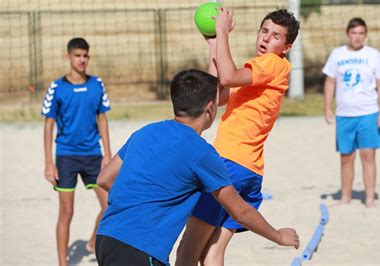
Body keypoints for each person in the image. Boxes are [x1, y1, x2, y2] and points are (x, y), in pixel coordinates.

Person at [95, 69, 299, 266]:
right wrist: (279, 236)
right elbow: (240, 211)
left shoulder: (145, 132)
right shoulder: (202, 153)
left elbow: (104, 179)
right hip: (140, 249)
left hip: (106, 237)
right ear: (210, 108)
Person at [176, 8, 300, 266]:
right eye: (264, 31)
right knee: (212, 253)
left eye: (276, 36)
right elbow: (217, 95)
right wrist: (213, 44)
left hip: (229, 164)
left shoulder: (271, 64)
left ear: (286, 47)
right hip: (249, 170)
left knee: (187, 252)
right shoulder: (261, 76)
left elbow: (228, 76)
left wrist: (222, 32)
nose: (266, 38)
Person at [41, 37, 111, 265]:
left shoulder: (97, 84)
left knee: (110, 205)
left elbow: (102, 118)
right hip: (66, 156)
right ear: (68, 57)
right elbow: (49, 124)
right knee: (66, 212)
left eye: (85, 56)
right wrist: (49, 163)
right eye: (77, 55)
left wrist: (107, 155)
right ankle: (63, 262)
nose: (82, 60)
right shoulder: (57, 87)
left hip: (93, 154)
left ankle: (92, 243)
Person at [322, 18, 380, 208]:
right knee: (346, 157)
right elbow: (330, 82)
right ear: (347, 34)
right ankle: (345, 197)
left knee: (368, 156)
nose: (357, 37)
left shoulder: (373, 55)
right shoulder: (337, 54)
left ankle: (369, 198)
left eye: (361, 33)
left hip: (369, 113)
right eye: (354, 33)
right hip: (345, 115)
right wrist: (327, 107)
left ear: (365, 35)